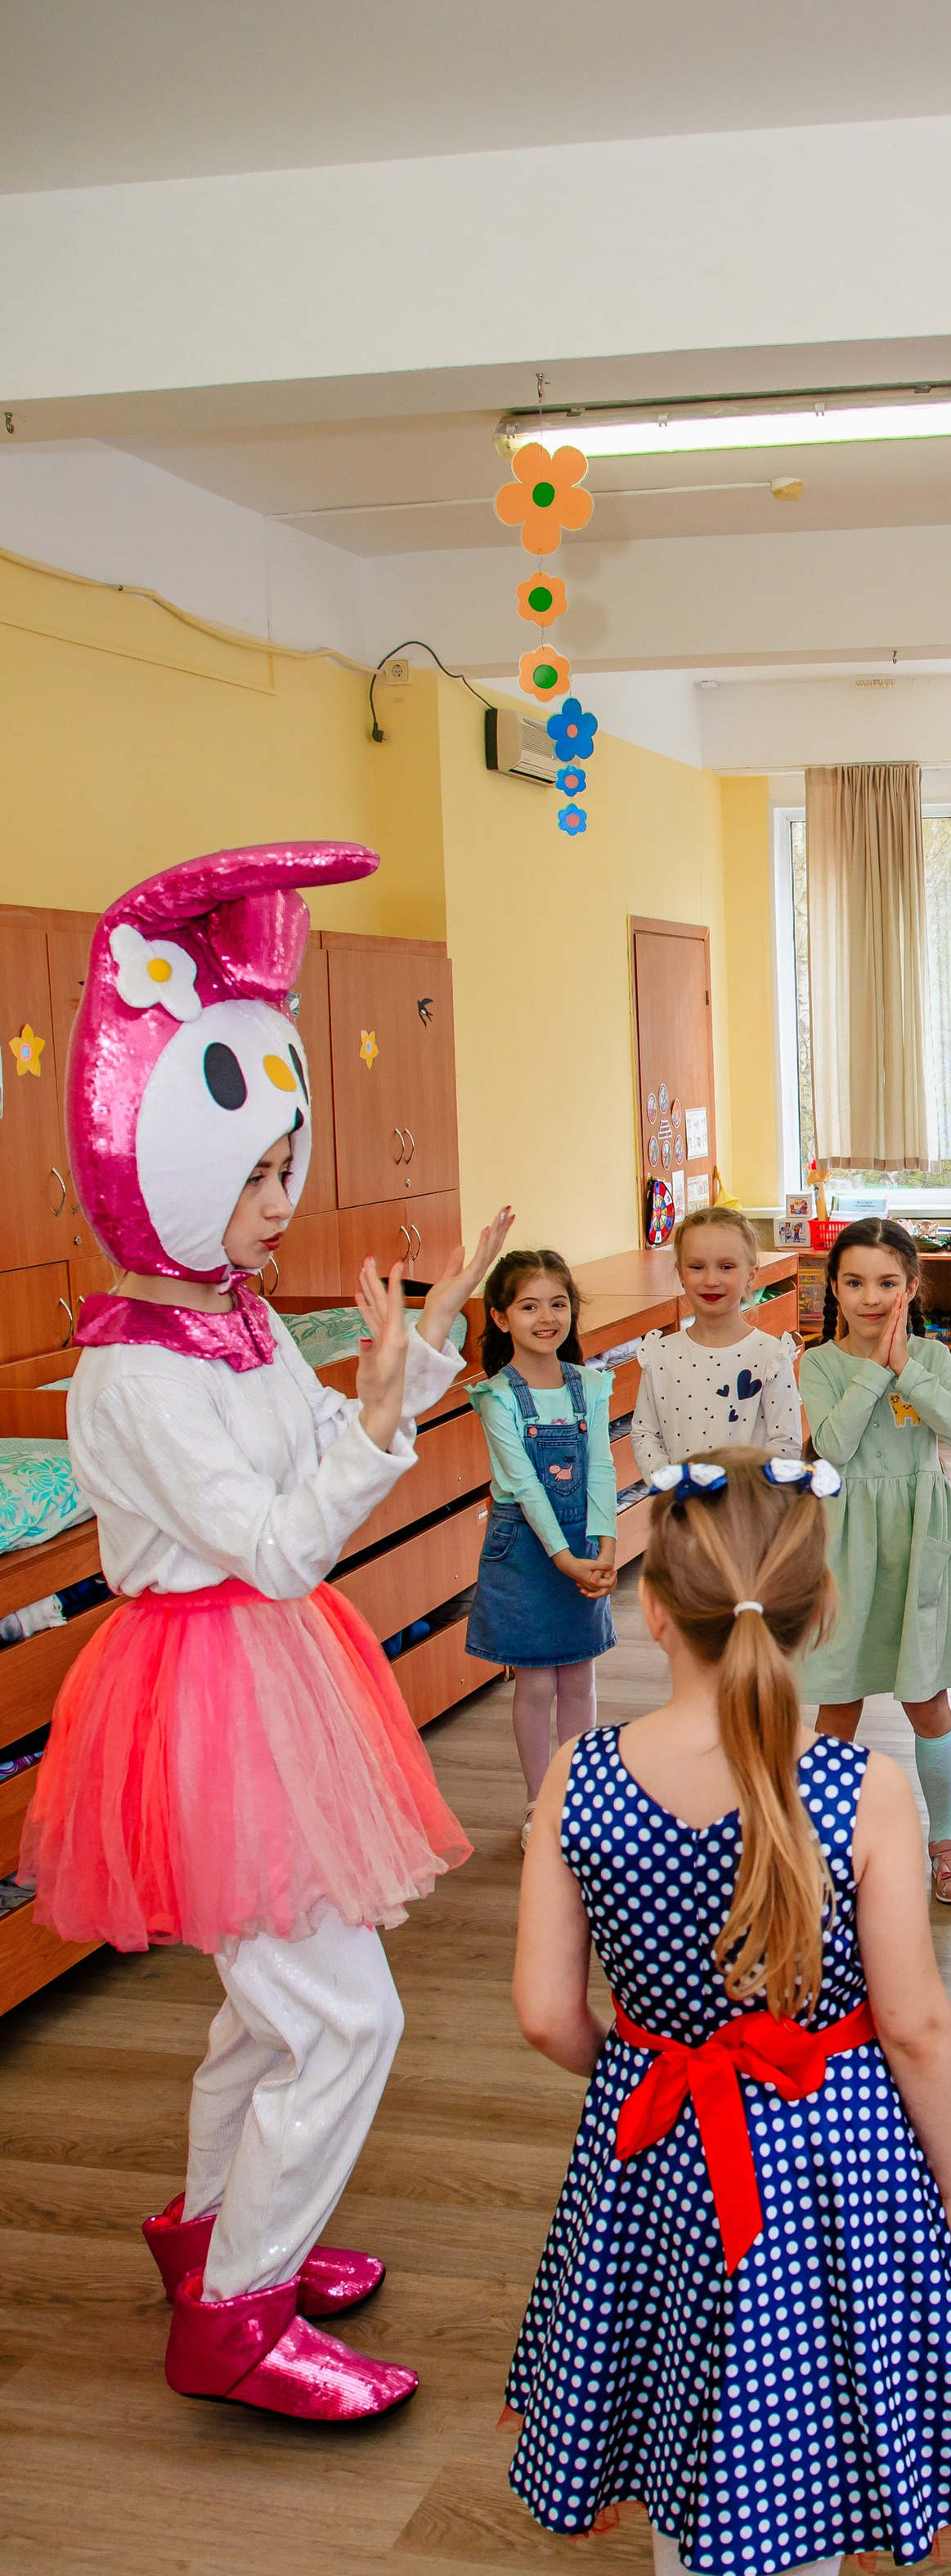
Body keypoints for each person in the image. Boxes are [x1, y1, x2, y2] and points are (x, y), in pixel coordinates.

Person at [22, 840, 500, 2424]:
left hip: (258, 1681)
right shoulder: (135, 1373)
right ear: (152, 1155)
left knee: (271, 2004)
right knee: (343, 2014)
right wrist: (369, 1424)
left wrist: (407, 1363)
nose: (280, 1202)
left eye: (287, 1168)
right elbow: (291, 1541)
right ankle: (233, 2315)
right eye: (258, 1172)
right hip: (211, 1684)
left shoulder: (219, 1323)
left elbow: (315, 1443)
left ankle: (219, 2226)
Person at [506, 1454, 951, 2576]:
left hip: (654, 2141)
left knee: (686, 2408)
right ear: (820, 1606)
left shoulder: (580, 1775)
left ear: (651, 1611)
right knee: (799, 2420)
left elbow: (544, 2014)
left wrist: (643, 2066)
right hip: (833, 2157)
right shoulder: (866, 1787)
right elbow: (915, 2025)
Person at [796, 1219, 951, 1907]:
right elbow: (834, 1447)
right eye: (854, 1282)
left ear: (911, 1287)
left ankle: (947, 1841)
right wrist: (877, 1369)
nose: (870, 1298)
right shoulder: (818, 1364)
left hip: (918, 1541)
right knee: (839, 1696)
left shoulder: (931, 1358)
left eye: (887, 1282)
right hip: (846, 1544)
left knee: (926, 1695)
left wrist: (905, 1365)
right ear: (835, 1290)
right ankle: (820, 1843)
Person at [467, 1248, 619, 1833]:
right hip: (531, 1552)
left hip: (583, 1544)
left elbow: (602, 1466)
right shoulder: (497, 1395)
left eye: (558, 1303)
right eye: (529, 1306)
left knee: (579, 1676)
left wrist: (604, 1543)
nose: (547, 1317)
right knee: (535, 1681)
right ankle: (541, 1804)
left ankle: (576, 1800)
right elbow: (525, 1486)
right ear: (502, 1319)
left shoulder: (590, 1384)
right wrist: (564, 1558)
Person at [630, 1208, 802, 1470]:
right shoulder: (661, 1355)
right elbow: (645, 1434)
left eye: (726, 1267)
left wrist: (742, 1493)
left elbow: (786, 1442)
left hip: (748, 1505)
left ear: (752, 1273)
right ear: (681, 1274)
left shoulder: (770, 1355)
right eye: (697, 1267)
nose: (711, 1280)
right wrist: (672, 1486)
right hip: (683, 1505)